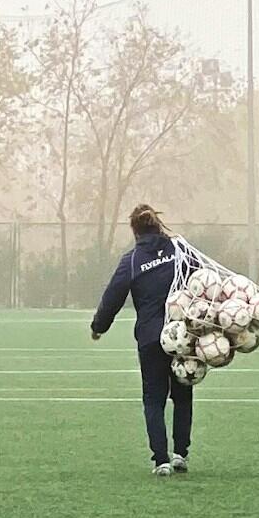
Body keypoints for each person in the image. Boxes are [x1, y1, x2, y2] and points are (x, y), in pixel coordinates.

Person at [89, 203, 194, 475]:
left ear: (134, 231)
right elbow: (203, 280)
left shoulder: (133, 260)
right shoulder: (180, 250)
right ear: (158, 225)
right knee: (182, 394)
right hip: (182, 334)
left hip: (151, 338)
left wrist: (98, 326)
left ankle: (161, 461)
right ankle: (180, 454)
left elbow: (113, 296)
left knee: (153, 399)